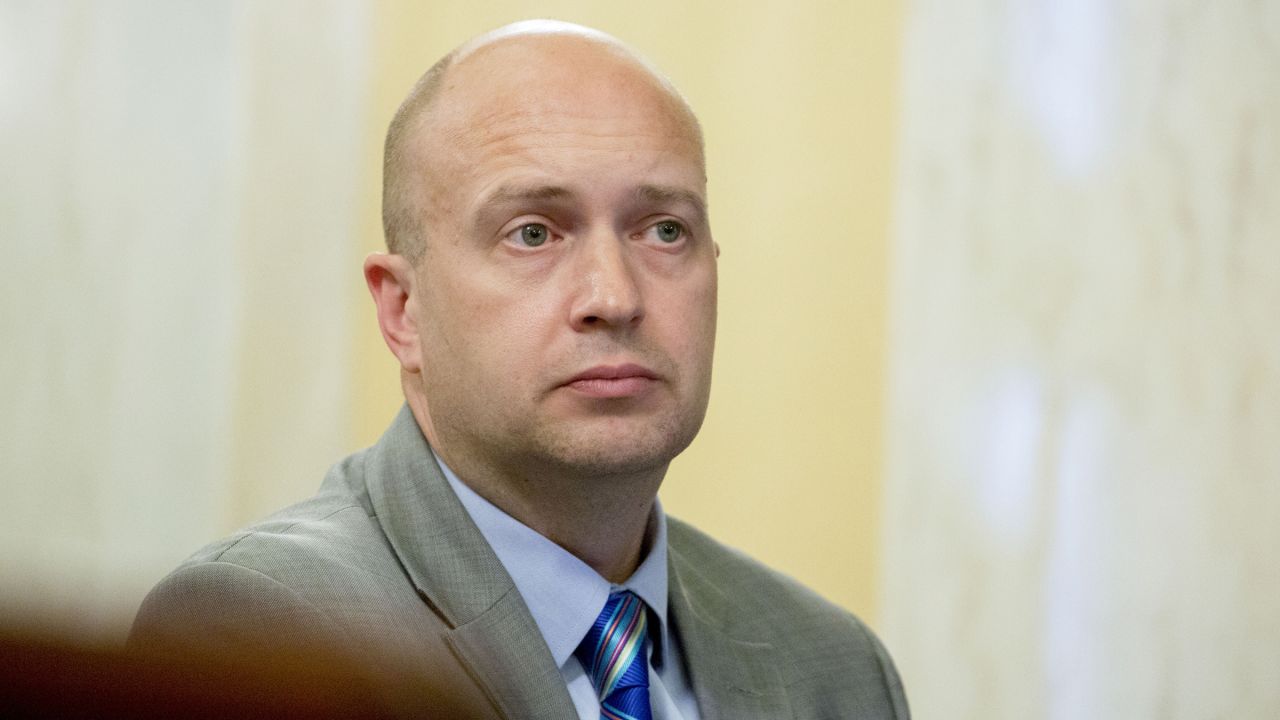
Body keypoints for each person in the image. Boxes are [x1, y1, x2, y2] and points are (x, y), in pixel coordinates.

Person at [131, 19, 909, 720]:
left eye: (664, 229)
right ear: (403, 311)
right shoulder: (261, 633)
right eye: (533, 233)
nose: (614, 296)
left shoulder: (835, 668)